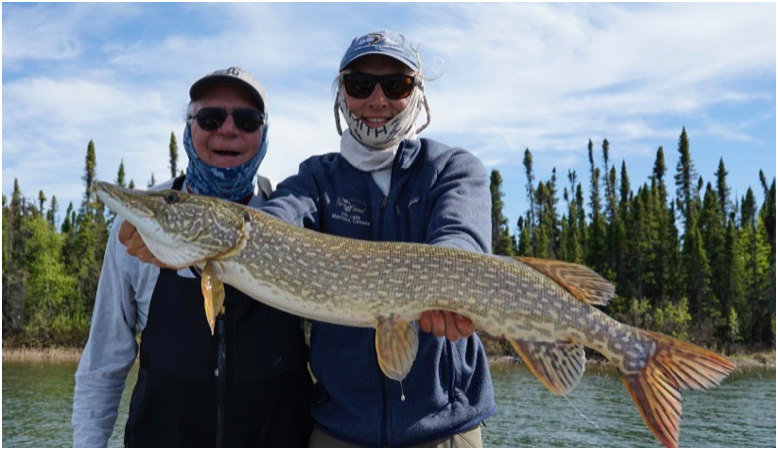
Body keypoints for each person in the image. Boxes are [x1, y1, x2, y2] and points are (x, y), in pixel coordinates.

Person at [260, 30, 496, 447]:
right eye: (360, 84)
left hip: (446, 432)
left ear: (418, 93)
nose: (377, 100)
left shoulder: (452, 169)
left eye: (396, 85)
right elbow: (273, 224)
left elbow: (461, 239)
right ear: (342, 93)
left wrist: (444, 292)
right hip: (339, 432)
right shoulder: (315, 179)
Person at [72, 67, 312, 448]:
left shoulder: (296, 221)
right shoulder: (139, 226)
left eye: (247, 120)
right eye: (210, 117)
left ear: (264, 134)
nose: (228, 130)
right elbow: (103, 364)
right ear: (189, 128)